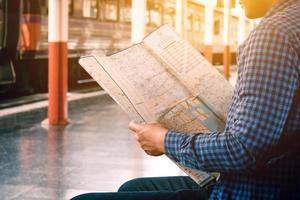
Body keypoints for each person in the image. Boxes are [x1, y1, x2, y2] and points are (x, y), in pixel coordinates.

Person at [72, 0, 300, 199]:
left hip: (253, 189)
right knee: (132, 187)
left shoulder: (273, 36)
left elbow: (243, 150)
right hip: (285, 179)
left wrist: (164, 140)